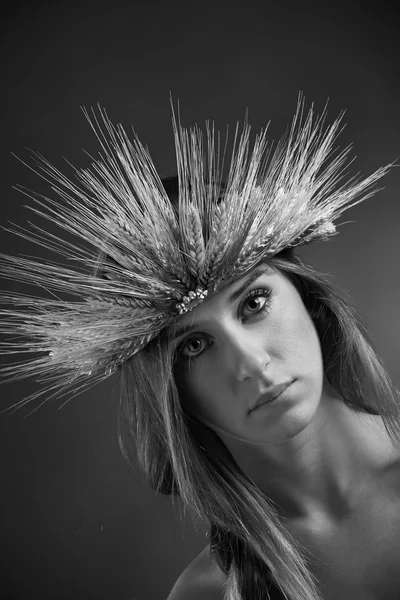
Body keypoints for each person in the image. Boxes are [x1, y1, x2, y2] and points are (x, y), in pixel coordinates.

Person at [1, 98, 400, 600]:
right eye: (193, 345)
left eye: (255, 301)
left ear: (308, 299)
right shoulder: (210, 593)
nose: (250, 362)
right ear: (171, 394)